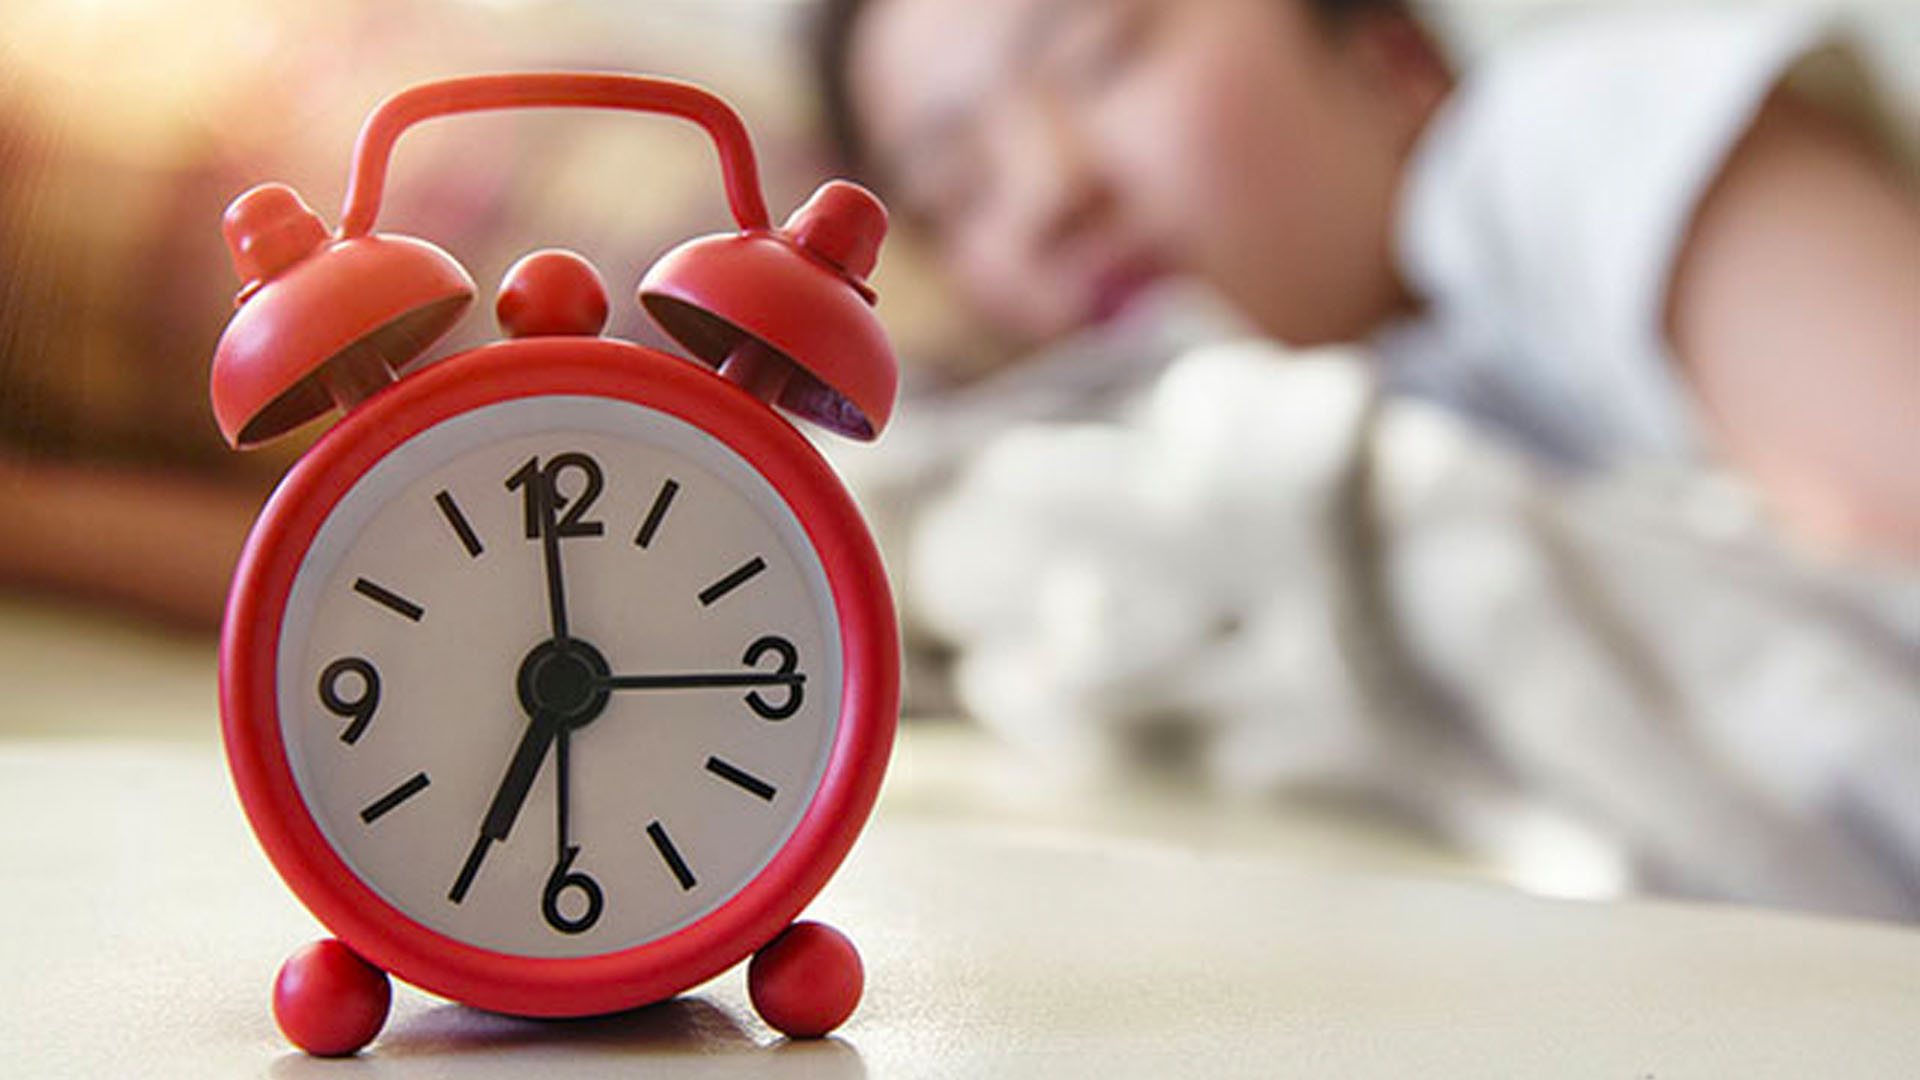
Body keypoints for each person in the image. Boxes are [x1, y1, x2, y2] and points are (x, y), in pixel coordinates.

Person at [812, 0, 1920, 563]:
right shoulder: (1137, 490)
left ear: (1390, 64)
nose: (1050, 193)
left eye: (1100, 56)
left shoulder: (1561, 141)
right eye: (959, 188)